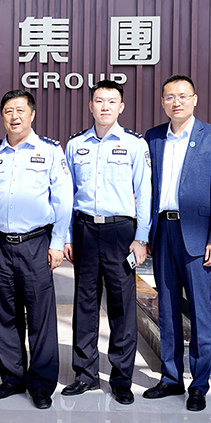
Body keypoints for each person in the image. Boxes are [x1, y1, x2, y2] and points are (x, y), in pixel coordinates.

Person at [0, 89, 73, 410]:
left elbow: (63, 200)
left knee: (40, 316)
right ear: (2, 116)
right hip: (0, 245)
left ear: (32, 114)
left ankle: (42, 384)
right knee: (4, 314)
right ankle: (12, 378)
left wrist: (58, 242)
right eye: (8, 111)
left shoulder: (50, 151)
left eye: (20, 110)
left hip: (36, 244)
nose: (14, 116)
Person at [142, 74, 211, 412]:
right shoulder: (153, 137)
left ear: (194, 99)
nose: (176, 102)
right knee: (166, 309)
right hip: (162, 232)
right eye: (170, 97)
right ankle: (170, 378)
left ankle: (199, 385)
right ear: (162, 102)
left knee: (199, 312)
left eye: (182, 96)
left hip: (196, 235)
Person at [62, 79, 151, 405]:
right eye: (99, 101)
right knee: (84, 305)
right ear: (90, 105)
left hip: (120, 233)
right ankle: (84, 375)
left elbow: (144, 193)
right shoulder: (75, 145)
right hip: (85, 229)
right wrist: (66, 235)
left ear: (121, 107)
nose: (105, 107)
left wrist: (141, 237)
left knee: (121, 307)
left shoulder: (134, 145)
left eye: (111, 101)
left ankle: (122, 378)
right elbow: (67, 195)